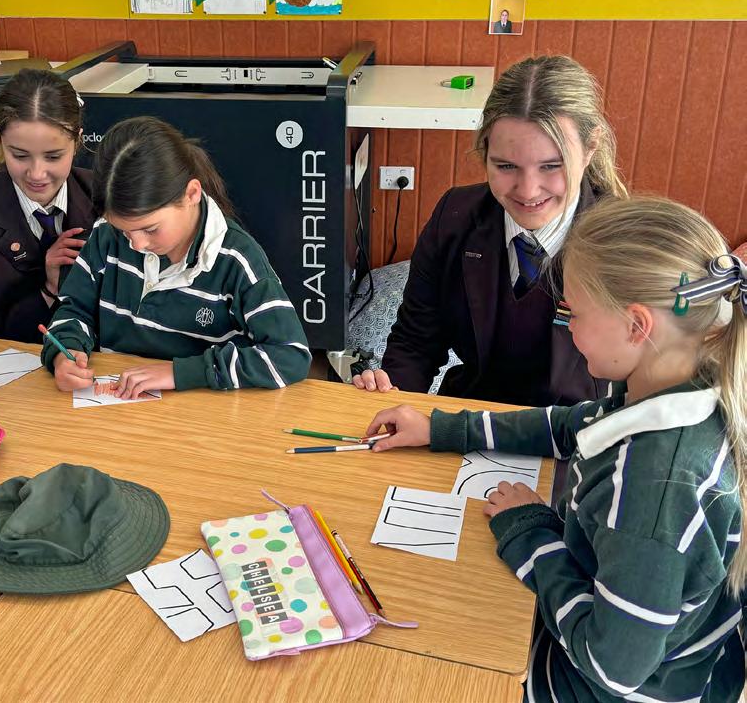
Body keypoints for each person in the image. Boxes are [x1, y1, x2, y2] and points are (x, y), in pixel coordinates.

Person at [364, 196, 747, 701]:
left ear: (636, 325)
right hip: (613, 615)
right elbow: (569, 425)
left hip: (601, 685)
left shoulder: (655, 486)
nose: (567, 326)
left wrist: (529, 530)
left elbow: (612, 666)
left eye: (573, 312)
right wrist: (442, 429)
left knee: (416, 652)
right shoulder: (677, 383)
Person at [355, 55, 628, 407]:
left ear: (590, 149)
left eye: (551, 166)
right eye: (506, 166)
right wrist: (391, 395)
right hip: (467, 418)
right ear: (484, 151)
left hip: (576, 430)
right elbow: (417, 341)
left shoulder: (627, 244)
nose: (528, 191)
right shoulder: (455, 215)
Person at [41, 115, 310, 398]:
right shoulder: (106, 236)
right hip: (120, 408)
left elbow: (289, 355)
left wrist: (180, 373)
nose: (136, 244)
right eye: (124, 230)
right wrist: (65, 351)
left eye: (150, 229)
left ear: (191, 194)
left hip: (201, 412)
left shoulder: (236, 260)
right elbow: (74, 310)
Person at [0, 69, 95, 344]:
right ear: (0, 141)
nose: (37, 174)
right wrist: (49, 289)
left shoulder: (107, 199)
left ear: (78, 141)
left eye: (53, 157)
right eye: (20, 155)